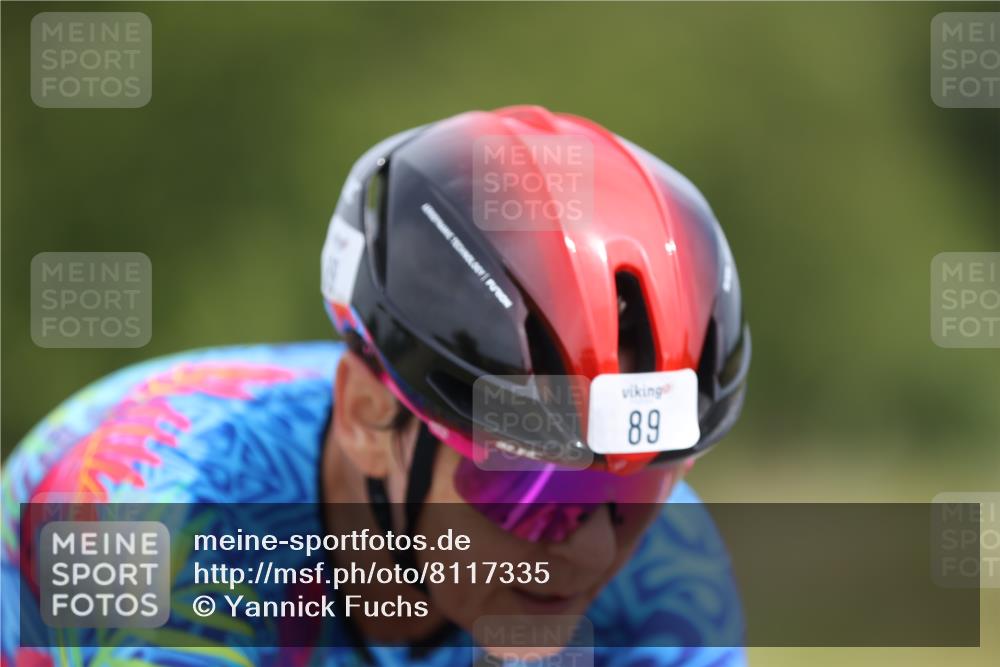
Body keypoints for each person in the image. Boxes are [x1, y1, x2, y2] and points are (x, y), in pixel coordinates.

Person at [1, 105, 751, 666]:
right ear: (368, 415)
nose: (591, 550)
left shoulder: (668, 566)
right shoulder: (164, 514)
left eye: (641, 488)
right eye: (534, 489)